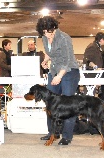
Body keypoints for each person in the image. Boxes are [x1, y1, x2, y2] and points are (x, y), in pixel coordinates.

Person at [36, 16, 80, 145]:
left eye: (49, 32)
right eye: (44, 32)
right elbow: (50, 52)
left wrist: (59, 76)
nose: (47, 35)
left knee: (68, 104)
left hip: (69, 72)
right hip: (54, 71)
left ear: (54, 28)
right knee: (50, 103)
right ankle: (52, 133)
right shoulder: (45, 37)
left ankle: (66, 136)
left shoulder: (64, 38)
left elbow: (67, 60)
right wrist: (45, 60)